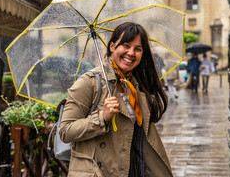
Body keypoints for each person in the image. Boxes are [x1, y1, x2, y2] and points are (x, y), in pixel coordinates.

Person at [60, 22, 172, 177]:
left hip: (133, 169)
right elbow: (65, 131)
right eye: (125, 45)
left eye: (138, 49)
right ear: (112, 46)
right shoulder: (90, 82)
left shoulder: (136, 86)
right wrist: (101, 118)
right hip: (99, 172)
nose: (131, 53)